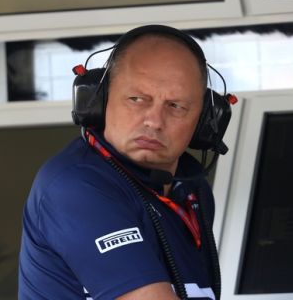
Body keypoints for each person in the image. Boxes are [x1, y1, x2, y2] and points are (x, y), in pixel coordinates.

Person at [19, 25, 231, 300]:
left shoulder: (190, 191)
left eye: (176, 106)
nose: (154, 121)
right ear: (98, 101)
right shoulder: (76, 185)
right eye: (137, 99)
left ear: (205, 122)